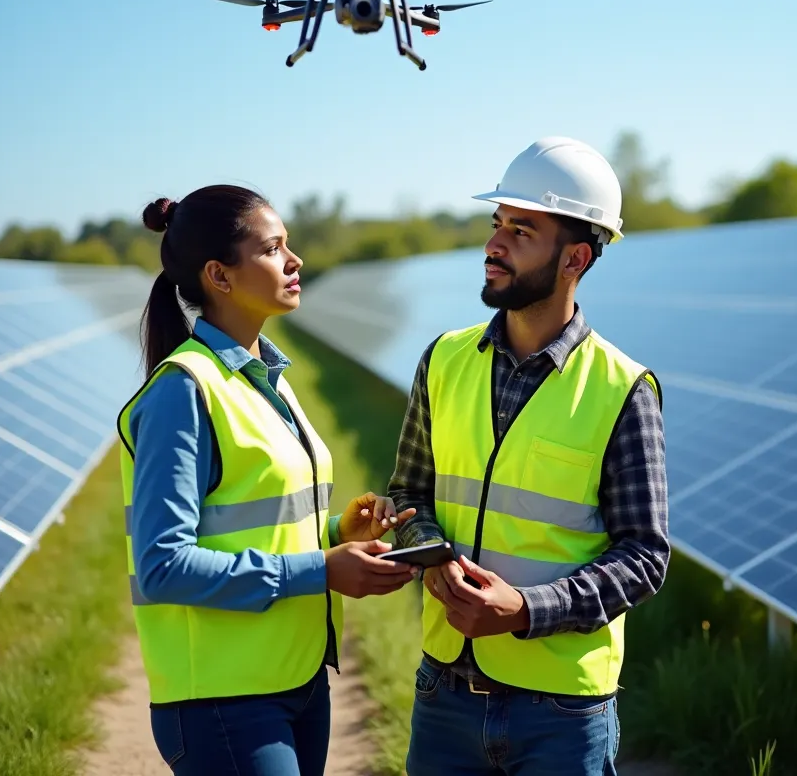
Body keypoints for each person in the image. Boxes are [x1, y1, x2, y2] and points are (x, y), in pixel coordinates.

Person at [388, 136, 670, 776]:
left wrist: (526, 610)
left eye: (521, 230)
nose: (494, 244)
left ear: (576, 256)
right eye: (497, 225)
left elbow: (645, 556)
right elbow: (408, 491)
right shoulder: (443, 360)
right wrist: (431, 556)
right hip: (444, 692)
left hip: (563, 715)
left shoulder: (623, 390)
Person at [117, 184, 418, 776]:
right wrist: (323, 570)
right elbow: (162, 563)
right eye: (273, 248)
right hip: (222, 697)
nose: (295, 259)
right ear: (220, 277)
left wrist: (334, 531)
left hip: (299, 678)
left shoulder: (270, 378)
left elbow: (252, 519)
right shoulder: (184, 391)